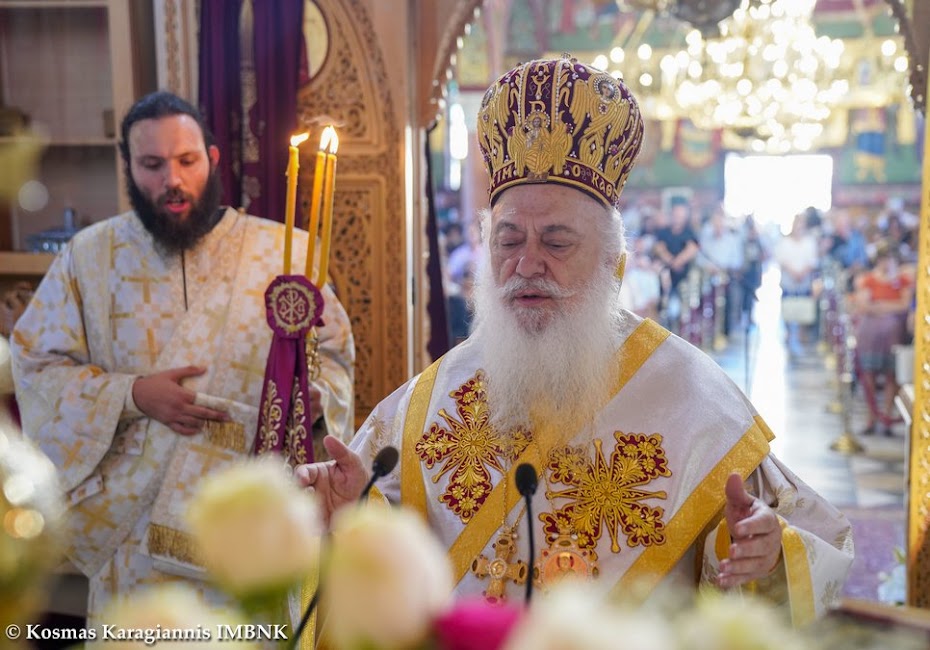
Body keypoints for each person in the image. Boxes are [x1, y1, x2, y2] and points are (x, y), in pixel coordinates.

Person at [297, 57, 852, 623]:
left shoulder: (693, 397)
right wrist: (356, 514)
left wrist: (764, 552)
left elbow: (806, 546)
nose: (526, 264)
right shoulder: (426, 403)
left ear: (613, 261)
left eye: (557, 242)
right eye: (509, 240)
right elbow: (389, 551)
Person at [10, 91, 355, 620]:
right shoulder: (89, 257)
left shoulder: (283, 250)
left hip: (249, 520)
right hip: (132, 532)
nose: (172, 179)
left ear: (212, 159)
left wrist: (314, 400)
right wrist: (132, 394)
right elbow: (36, 365)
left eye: (187, 160)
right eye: (152, 165)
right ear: (128, 167)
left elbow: (331, 356)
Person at [852, 242, 914, 436]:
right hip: (870, 334)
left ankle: (886, 415)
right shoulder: (868, 280)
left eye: (889, 259)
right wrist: (888, 307)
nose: (886, 263)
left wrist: (880, 306)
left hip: (893, 334)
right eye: (883, 259)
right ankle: (871, 416)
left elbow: (904, 305)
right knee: (869, 372)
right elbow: (864, 305)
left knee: (891, 374)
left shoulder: (903, 280)